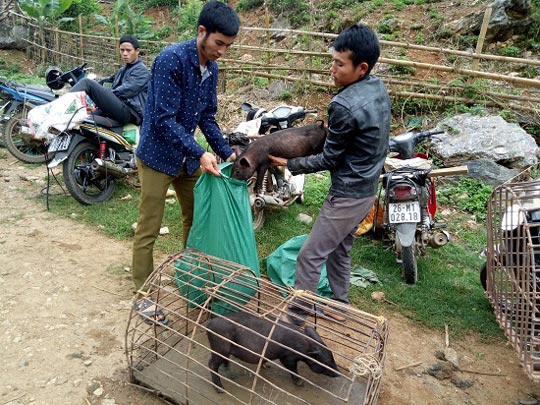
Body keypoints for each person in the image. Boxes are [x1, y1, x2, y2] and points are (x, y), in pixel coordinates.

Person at [269, 23, 391, 324]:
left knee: (309, 256)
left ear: (361, 67)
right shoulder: (377, 87)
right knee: (339, 251)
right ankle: (340, 306)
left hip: (348, 194)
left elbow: (330, 158)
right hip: (366, 189)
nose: (332, 70)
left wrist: (290, 164)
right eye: (332, 61)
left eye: (339, 64)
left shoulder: (343, 105)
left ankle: (295, 326)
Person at [131, 1, 240, 293]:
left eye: (228, 46)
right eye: (219, 43)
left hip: (187, 159)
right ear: (201, 31)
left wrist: (226, 150)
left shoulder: (212, 70)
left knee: (197, 221)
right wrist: (201, 152)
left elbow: (206, 116)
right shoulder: (171, 60)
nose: (221, 51)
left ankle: (189, 279)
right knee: (149, 227)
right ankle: (143, 292)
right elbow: (163, 119)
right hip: (157, 156)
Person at [70, 34, 149, 125]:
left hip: (129, 111)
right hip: (119, 106)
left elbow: (125, 91)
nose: (125, 54)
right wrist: (97, 89)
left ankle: (58, 106)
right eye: (122, 50)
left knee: (86, 83)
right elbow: (107, 81)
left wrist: (101, 96)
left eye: (128, 50)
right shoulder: (124, 69)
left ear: (137, 51)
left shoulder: (141, 71)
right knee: (82, 119)